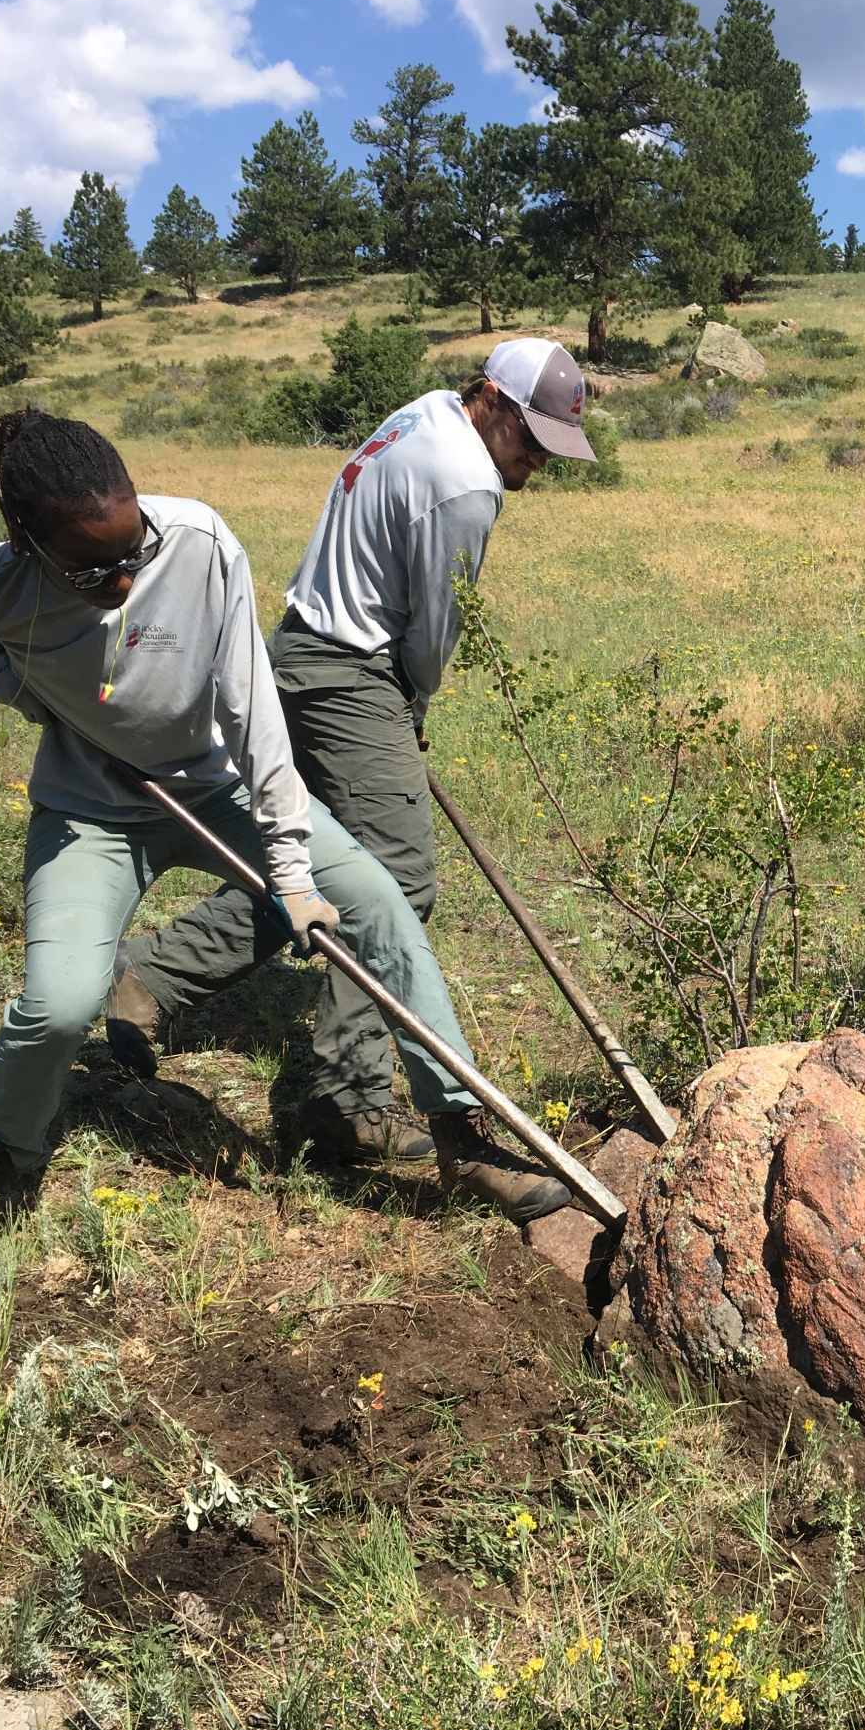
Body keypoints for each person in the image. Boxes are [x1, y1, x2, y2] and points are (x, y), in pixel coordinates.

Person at [0, 406, 570, 1219]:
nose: (123, 582)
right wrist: (16, 683)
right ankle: (8, 1150)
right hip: (92, 814)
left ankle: (462, 1137)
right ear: (28, 544)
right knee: (57, 1005)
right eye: (93, 572)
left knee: (381, 904)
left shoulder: (197, 544)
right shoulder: (1, 587)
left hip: (218, 787)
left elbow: (257, 719)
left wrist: (291, 873)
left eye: (133, 553)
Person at [105, 339, 596, 1171]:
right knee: (398, 879)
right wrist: (411, 708)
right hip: (352, 672)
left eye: (553, 445)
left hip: (294, 648)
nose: (540, 460)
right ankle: (345, 1101)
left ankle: (152, 978)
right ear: (493, 400)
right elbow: (436, 632)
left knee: (320, 865)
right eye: (533, 438)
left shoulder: (423, 414)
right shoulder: (470, 484)